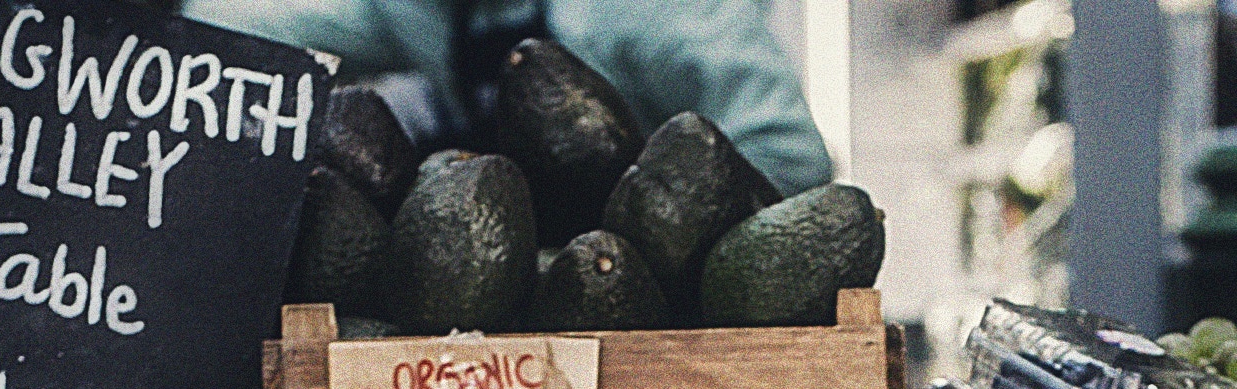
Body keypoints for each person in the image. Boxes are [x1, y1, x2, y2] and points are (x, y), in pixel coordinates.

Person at [193, 0, 832, 194]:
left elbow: (791, 154)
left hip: (668, 333)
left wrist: (669, 233)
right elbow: (251, 23)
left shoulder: (652, 13)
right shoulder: (425, 12)